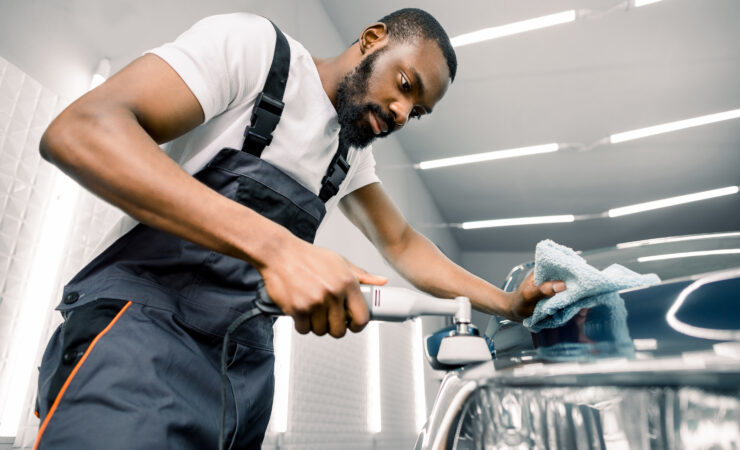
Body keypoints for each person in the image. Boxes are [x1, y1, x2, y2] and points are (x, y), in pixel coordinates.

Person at [33, 8, 565, 450]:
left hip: (242, 372)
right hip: (140, 333)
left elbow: (402, 245)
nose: (403, 112)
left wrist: (505, 303)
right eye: (405, 85)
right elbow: (81, 131)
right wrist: (277, 247)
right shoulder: (256, 51)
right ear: (373, 38)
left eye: (417, 111)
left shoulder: (348, 157)